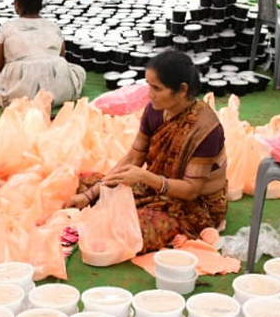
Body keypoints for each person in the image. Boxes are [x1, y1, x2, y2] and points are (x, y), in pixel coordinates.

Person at [66, 49, 227, 252]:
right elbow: (134, 156)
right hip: (156, 186)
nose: (149, 95)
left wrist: (145, 178)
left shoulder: (206, 130)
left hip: (194, 205)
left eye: (157, 88)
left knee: (130, 230)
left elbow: (190, 190)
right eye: (149, 86)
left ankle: (180, 229)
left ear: (182, 90)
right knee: (84, 183)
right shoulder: (155, 110)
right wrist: (89, 195)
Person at [0, 0, 86, 108]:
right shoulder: (54, 28)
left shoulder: (6, 29)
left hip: (21, 93)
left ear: (17, 5)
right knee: (78, 71)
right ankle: (54, 95)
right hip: (58, 92)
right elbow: (61, 58)